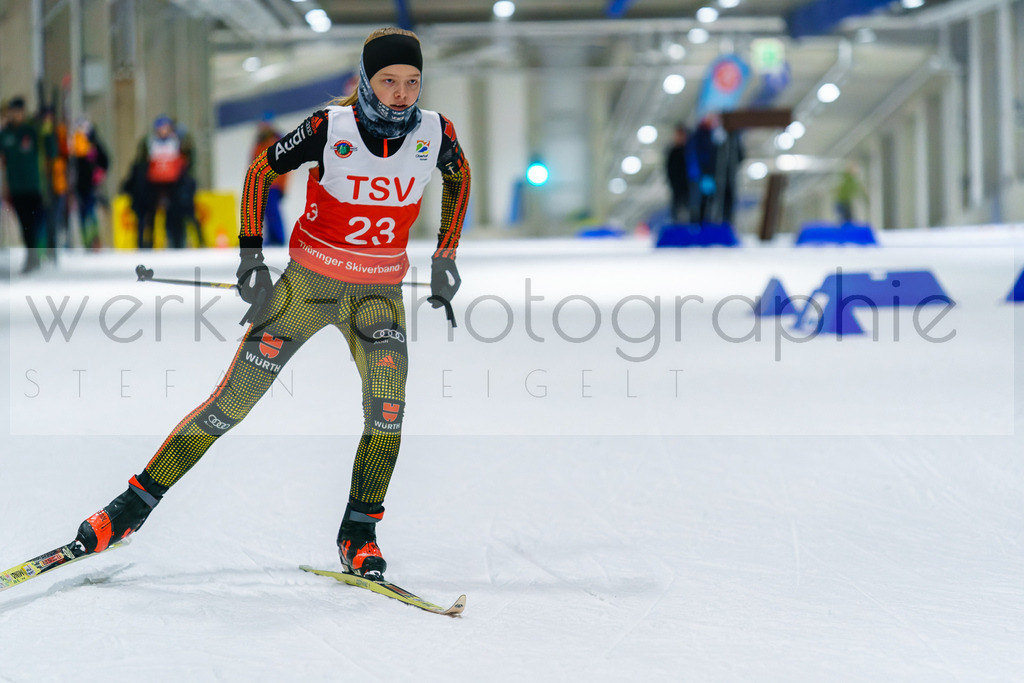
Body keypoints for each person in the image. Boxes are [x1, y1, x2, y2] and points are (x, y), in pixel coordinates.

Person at [73, 27, 471, 581]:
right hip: (304, 292)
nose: (402, 94)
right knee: (229, 405)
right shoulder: (330, 129)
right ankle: (131, 508)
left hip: (376, 297)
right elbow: (262, 170)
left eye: (412, 82)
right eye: (388, 81)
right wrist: (250, 259)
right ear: (365, 80)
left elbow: (459, 175)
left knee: (387, 413)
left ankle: (359, 532)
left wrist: (445, 254)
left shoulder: (436, 131)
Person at [126, 114, 195, 248]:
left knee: (175, 217)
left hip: (174, 186)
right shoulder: (150, 143)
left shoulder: (178, 142)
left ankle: (177, 242)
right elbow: (142, 163)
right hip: (153, 186)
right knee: (149, 218)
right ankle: (147, 244)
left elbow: (187, 160)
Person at [0, 96, 51, 272]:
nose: (16, 115)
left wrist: (48, 128)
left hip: (33, 186)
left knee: (34, 223)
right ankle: (32, 257)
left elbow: (50, 150)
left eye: (19, 111)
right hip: (16, 187)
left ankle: (35, 256)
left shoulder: (31, 131)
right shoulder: (5, 134)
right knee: (24, 224)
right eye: (13, 111)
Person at [250, 112, 289, 245]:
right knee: (266, 212)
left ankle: (278, 238)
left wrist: (281, 184)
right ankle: (272, 237)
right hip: (262, 183)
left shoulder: (276, 141)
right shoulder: (259, 142)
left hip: (273, 183)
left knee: (273, 211)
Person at [71, 116, 109, 249]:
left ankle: (94, 241)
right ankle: (87, 241)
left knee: (91, 212)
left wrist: (99, 174)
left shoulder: (94, 144)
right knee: (81, 213)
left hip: (92, 185)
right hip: (77, 185)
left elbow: (105, 160)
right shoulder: (74, 145)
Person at [664, 124, 691, 223]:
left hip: (688, 185)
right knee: (676, 205)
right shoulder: (672, 152)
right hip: (676, 185)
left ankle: (689, 225)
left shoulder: (689, 152)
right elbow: (669, 169)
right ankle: (676, 224)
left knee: (689, 205)